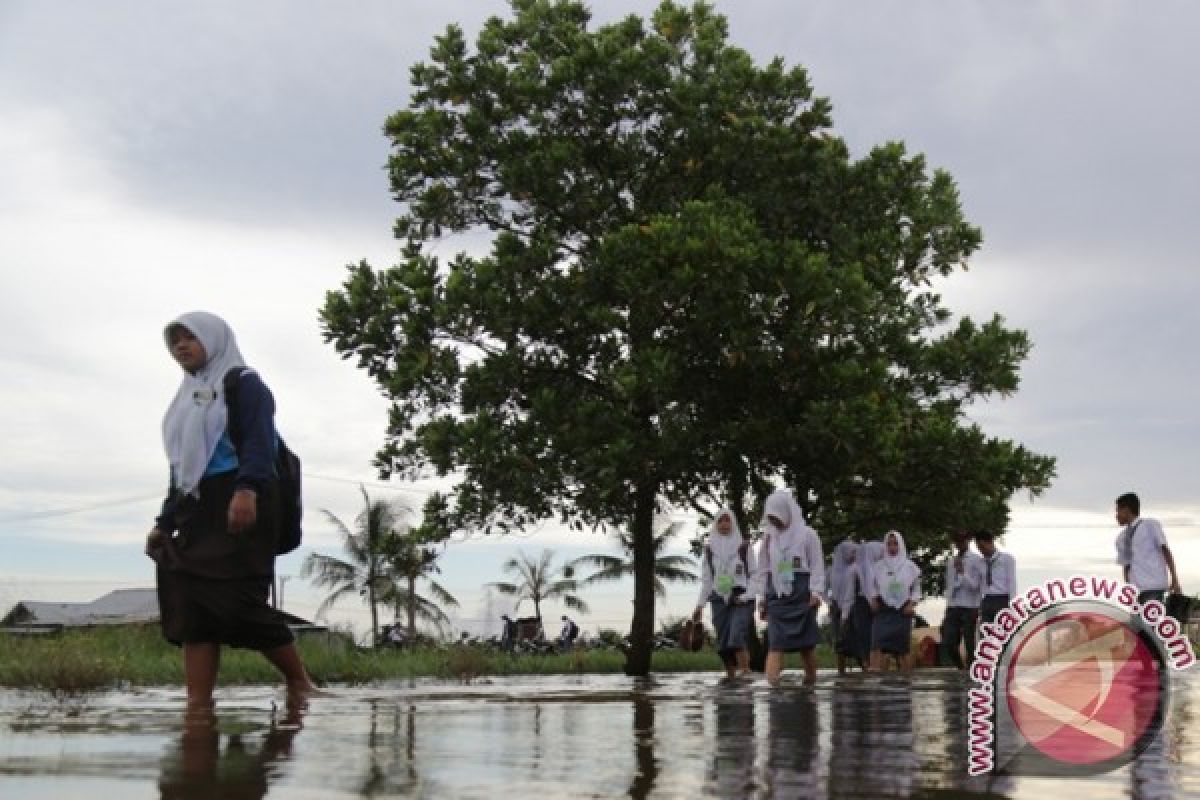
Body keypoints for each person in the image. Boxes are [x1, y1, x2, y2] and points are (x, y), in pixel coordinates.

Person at [145, 312, 317, 710]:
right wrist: (164, 521)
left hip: (243, 500)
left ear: (214, 339)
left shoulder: (244, 384)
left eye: (190, 338)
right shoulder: (184, 399)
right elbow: (182, 468)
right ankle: (198, 705)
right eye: (175, 342)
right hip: (197, 507)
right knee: (191, 604)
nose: (181, 347)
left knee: (239, 602)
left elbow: (259, 443)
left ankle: (300, 682)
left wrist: (247, 490)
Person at [756, 489, 825, 686]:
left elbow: (817, 565)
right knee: (775, 643)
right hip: (777, 594)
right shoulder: (769, 538)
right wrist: (762, 598)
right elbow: (763, 570)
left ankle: (811, 685)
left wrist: (816, 591)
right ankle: (771, 689)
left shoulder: (808, 534)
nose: (774, 521)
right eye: (770, 517)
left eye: (776, 516)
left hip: (802, 592)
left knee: (806, 645)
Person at [692, 508, 757, 680]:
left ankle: (745, 675)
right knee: (723, 642)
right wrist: (700, 605)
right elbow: (707, 580)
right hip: (718, 598)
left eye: (727, 520)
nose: (724, 524)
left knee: (736, 635)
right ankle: (730, 678)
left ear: (733, 523)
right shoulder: (709, 550)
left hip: (741, 596)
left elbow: (755, 574)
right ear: (715, 524)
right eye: (720, 521)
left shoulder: (743, 547)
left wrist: (748, 595)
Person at [1114, 492, 1183, 605]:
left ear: (1126, 509)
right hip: (1136, 590)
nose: (1116, 515)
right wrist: (1128, 588)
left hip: (1154, 586)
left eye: (1118, 510)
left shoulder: (1150, 525)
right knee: (1137, 622)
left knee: (1150, 622)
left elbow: (1166, 552)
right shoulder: (1121, 538)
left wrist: (1175, 579)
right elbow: (1126, 566)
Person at [868, 530, 921, 672]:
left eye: (895, 544)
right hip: (883, 609)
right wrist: (873, 599)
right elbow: (872, 586)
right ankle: (876, 683)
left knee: (902, 649)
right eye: (889, 544)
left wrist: (911, 604)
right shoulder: (878, 566)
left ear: (901, 545)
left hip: (902, 611)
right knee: (877, 645)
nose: (892, 547)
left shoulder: (910, 567)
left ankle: (906, 682)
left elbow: (916, 590)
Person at [940, 530, 982, 670]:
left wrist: (963, 573)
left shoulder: (976, 560)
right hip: (954, 606)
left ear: (968, 541)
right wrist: (948, 605)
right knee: (948, 641)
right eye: (957, 541)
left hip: (970, 605)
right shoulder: (951, 561)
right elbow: (949, 585)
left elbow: (976, 586)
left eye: (962, 540)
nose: (960, 543)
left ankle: (972, 668)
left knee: (970, 641)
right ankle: (960, 666)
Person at [828, 540, 862, 674]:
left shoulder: (855, 569)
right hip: (836, 609)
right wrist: (830, 600)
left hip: (853, 609)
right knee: (839, 641)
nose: (854, 555)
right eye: (851, 552)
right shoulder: (832, 571)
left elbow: (850, 592)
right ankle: (841, 672)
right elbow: (824, 588)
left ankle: (863, 668)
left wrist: (845, 612)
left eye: (855, 552)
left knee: (856, 640)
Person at [850, 539, 883, 668]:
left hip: (878, 602)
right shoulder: (856, 569)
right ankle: (866, 663)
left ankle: (876, 664)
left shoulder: (882, 567)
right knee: (863, 634)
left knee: (877, 635)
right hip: (861, 603)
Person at [974, 530, 1016, 625]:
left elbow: (1012, 583)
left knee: (1003, 632)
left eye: (982, 547)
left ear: (990, 542)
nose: (981, 550)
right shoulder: (980, 562)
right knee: (985, 633)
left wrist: (1013, 606)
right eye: (978, 548)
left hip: (1002, 599)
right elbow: (978, 585)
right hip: (987, 600)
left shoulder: (1007, 559)